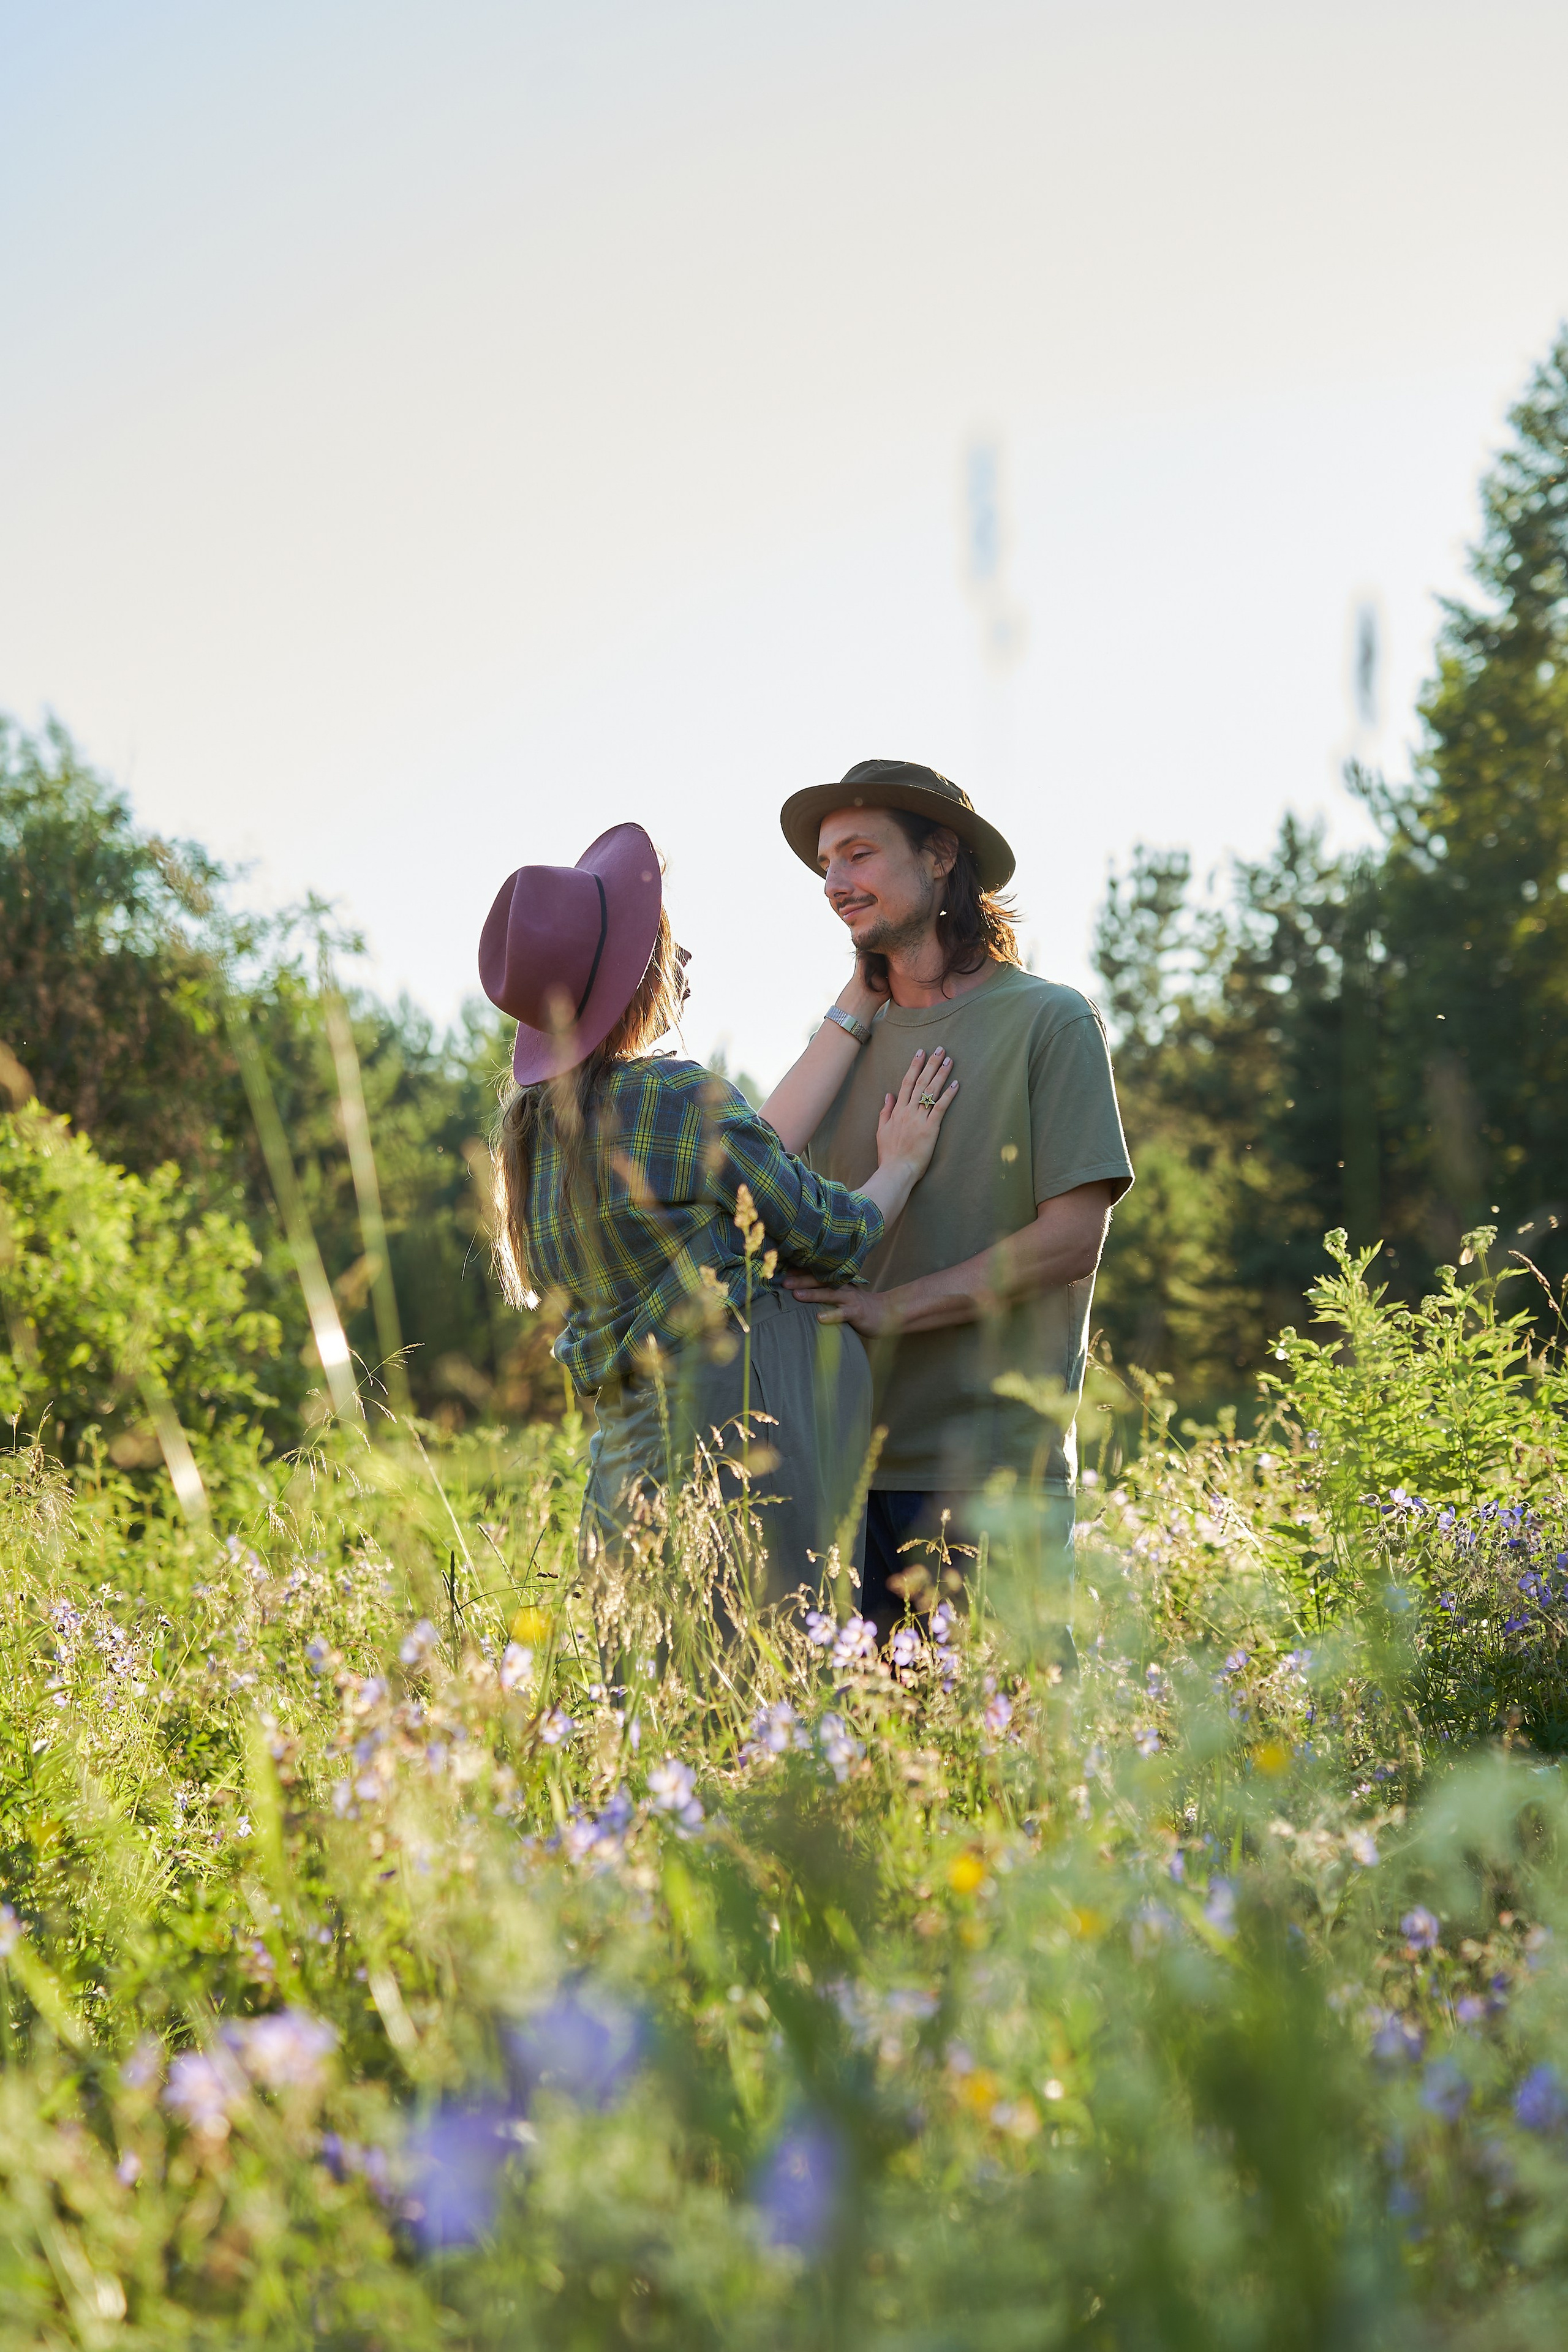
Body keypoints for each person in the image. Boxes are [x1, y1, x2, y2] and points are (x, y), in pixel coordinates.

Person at [480, 820, 958, 1601]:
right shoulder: (668, 1098)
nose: (686, 957)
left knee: (669, 1684)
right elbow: (828, 1231)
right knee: (775, 1672)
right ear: (636, 978)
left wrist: (847, 1013)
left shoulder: (536, 1135)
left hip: (630, 1454)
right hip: (739, 1440)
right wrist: (899, 1167)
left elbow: (741, 1174)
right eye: (664, 944)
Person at [773, 759, 1134, 1631]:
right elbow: (757, 1179)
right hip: (839, 1468)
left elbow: (1071, 1240)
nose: (834, 883)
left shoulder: (1051, 1020)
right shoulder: (838, 1048)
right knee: (859, 1759)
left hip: (991, 1472)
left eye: (858, 855)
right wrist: (850, 1010)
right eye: (826, 864)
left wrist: (892, 1310)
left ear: (941, 857)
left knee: (1010, 1758)